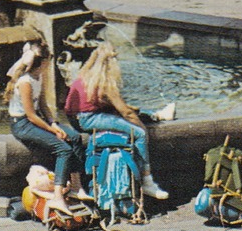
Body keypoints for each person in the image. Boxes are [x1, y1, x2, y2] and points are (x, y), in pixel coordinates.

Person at [63, 43, 167, 199]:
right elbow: (126, 112)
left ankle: (156, 114)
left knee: (126, 111)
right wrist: (143, 129)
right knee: (138, 133)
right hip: (88, 119)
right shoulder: (106, 83)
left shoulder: (85, 73)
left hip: (75, 119)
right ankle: (147, 181)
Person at [7, 40, 86, 210]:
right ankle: (58, 197)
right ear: (42, 62)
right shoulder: (25, 82)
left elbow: (42, 105)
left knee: (75, 137)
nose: (50, 63)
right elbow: (30, 114)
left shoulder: (39, 76)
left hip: (35, 120)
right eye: (49, 60)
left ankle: (76, 187)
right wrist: (52, 131)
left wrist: (54, 124)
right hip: (22, 124)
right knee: (63, 149)